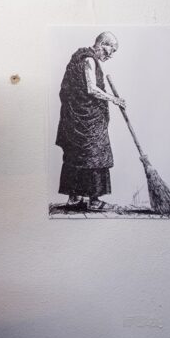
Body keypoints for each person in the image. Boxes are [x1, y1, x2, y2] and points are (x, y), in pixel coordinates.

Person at [55, 32, 126, 211]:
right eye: (111, 50)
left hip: (78, 119)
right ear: (101, 44)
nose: (111, 55)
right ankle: (93, 201)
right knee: (95, 155)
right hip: (87, 120)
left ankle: (74, 198)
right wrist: (114, 99)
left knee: (78, 155)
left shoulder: (81, 57)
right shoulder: (89, 59)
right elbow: (91, 89)